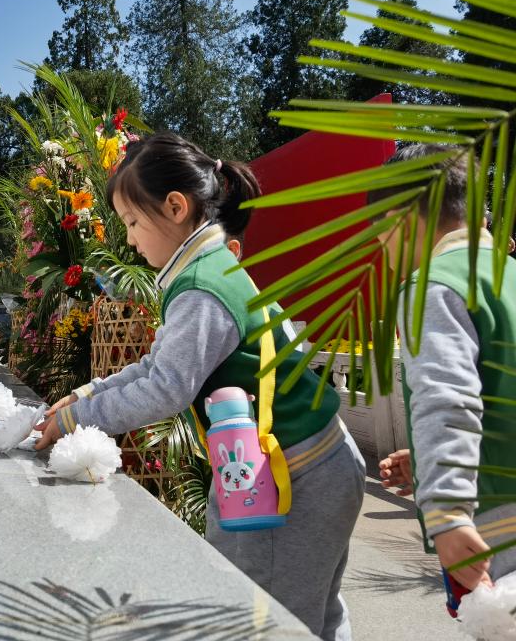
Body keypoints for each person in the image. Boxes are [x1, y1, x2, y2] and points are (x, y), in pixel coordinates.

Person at [34, 133, 365, 641]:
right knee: (316, 616)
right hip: (319, 464)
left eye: (132, 222)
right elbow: (158, 366)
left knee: (264, 619)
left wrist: (77, 420)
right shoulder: (211, 268)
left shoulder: (199, 287)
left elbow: (166, 388)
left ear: (175, 207)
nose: (129, 240)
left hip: (291, 479)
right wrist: (86, 395)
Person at [372, 145, 516, 604]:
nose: (380, 246)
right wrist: (424, 457)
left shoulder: (431, 286)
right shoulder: (507, 275)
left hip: (496, 518)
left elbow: (446, 399)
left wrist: (447, 510)